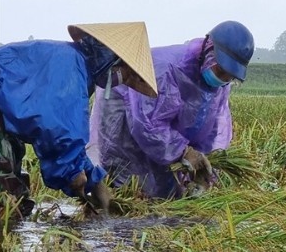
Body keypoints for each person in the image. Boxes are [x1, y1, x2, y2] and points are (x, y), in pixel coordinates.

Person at [0, 22, 158, 220]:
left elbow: (72, 141)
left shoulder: (77, 66)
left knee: (17, 199)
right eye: (124, 74)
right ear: (111, 60)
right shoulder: (70, 67)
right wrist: (74, 174)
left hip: (4, 127)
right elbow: (56, 131)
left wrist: (95, 183)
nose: (120, 80)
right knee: (5, 201)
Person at [89, 21, 254, 199]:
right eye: (220, 71)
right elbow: (148, 125)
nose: (222, 79)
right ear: (208, 50)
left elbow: (210, 127)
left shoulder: (219, 86)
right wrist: (183, 151)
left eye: (229, 76)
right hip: (125, 110)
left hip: (158, 129)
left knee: (165, 192)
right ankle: (114, 208)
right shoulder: (165, 69)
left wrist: (203, 165)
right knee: (127, 178)